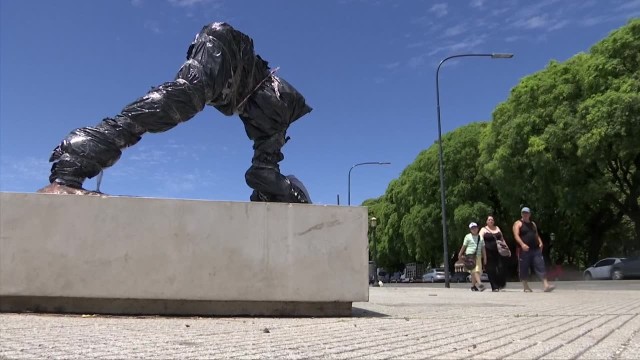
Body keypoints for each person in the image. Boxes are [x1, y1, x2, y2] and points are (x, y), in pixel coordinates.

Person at [36, 22, 312, 204]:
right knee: (181, 99)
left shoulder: (276, 117)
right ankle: (73, 161)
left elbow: (262, 174)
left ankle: (75, 161)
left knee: (182, 99)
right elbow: (262, 173)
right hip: (230, 55)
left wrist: (268, 184)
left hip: (237, 67)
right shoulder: (281, 106)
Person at [512, 207, 556, 292]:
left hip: (535, 249)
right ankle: (525, 286)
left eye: (527, 213)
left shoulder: (533, 224)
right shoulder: (518, 223)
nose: (525, 214)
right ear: (521, 214)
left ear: (529, 214)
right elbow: (516, 235)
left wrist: (540, 242)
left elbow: (536, 234)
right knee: (524, 267)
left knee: (540, 265)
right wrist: (522, 244)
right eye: (524, 213)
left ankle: (546, 285)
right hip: (524, 250)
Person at [479, 215, 507, 292]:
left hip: (498, 251)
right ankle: (494, 286)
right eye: (489, 220)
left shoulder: (497, 228)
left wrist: (506, 248)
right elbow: (480, 240)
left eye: (492, 220)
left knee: (501, 267)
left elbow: (502, 239)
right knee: (491, 270)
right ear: (486, 221)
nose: (491, 221)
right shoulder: (483, 230)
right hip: (488, 252)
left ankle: (500, 283)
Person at [458, 222, 486, 291]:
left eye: (475, 227)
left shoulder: (481, 237)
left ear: (477, 228)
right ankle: (480, 284)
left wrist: (485, 257)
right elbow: (464, 246)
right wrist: (460, 254)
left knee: (477, 272)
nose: (474, 229)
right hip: (470, 256)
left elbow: (483, 248)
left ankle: (473, 286)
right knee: (475, 270)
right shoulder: (468, 236)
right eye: (472, 228)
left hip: (478, 256)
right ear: (470, 229)